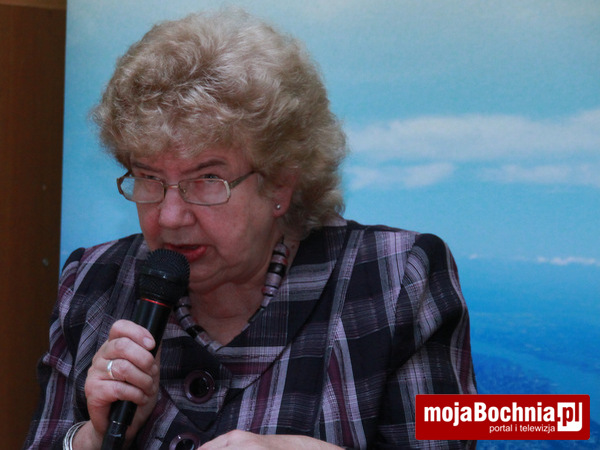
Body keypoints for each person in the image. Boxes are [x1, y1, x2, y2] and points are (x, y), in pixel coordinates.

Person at [24, 8, 476, 450]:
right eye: (149, 178)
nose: (170, 216)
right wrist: (92, 439)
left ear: (281, 183)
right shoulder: (95, 282)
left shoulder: (396, 278)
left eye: (207, 179)